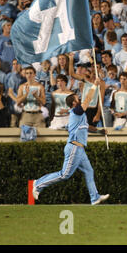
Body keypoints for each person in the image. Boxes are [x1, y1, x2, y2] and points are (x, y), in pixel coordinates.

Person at [32, 77, 110, 205]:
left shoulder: (80, 114)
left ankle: (94, 197)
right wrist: (94, 86)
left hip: (80, 149)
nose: (79, 99)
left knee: (89, 171)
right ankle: (38, 184)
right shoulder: (76, 111)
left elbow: (87, 127)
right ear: (74, 103)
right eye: (77, 99)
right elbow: (88, 100)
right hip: (74, 147)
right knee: (64, 175)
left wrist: (100, 131)